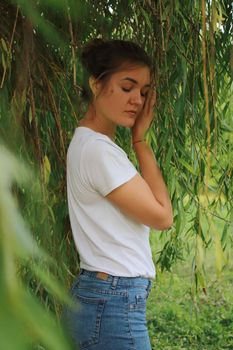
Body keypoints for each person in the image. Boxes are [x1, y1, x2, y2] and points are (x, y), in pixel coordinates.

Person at [62, 38, 173, 350]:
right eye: (127, 87)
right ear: (96, 84)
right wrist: (141, 141)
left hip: (101, 299)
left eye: (144, 92)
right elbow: (163, 216)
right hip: (111, 304)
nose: (137, 100)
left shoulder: (87, 143)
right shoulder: (98, 152)